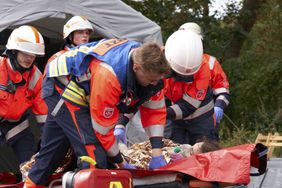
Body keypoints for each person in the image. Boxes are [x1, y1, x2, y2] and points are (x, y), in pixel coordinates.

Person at [24, 39, 170, 187]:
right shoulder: (109, 74)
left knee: (53, 151)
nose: (154, 83)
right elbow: (102, 130)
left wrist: (156, 151)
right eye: (151, 80)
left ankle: (30, 185)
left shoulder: (147, 59)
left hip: (76, 82)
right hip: (61, 83)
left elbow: (155, 111)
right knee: (93, 157)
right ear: (136, 68)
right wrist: (121, 163)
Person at [0, 26, 47, 169]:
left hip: (17, 126)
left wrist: (47, 139)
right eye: (26, 53)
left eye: (33, 55)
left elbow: (43, 112)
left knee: (31, 165)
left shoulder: (36, 76)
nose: (29, 58)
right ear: (14, 51)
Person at [164, 30, 218, 145]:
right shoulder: (161, 64)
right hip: (176, 118)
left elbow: (188, 106)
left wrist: (160, 113)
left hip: (202, 119)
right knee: (175, 153)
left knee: (205, 154)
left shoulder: (203, 68)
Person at [179, 22, 230, 128]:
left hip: (204, 121)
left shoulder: (210, 63)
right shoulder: (171, 62)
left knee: (207, 145)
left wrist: (219, 107)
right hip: (176, 122)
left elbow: (222, 92)